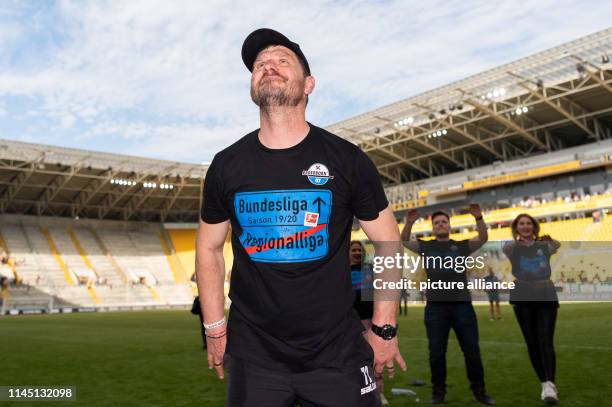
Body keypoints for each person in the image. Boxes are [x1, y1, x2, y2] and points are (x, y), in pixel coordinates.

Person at [196, 28, 406, 406]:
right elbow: (209, 247)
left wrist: (384, 329)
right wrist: (214, 327)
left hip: (337, 353)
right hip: (254, 355)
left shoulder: (347, 159)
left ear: (308, 84)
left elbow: (389, 243)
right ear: (252, 85)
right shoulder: (226, 165)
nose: (268, 66)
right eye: (259, 64)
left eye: (281, 60)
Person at [401, 205, 494, 405]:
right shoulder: (425, 246)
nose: (440, 224)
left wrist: (478, 217)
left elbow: (483, 238)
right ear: (433, 228)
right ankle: (438, 391)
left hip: (462, 306)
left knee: (472, 351)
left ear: (449, 226)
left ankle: (479, 390)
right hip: (436, 308)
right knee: (436, 352)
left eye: (444, 222)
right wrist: (409, 222)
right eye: (437, 223)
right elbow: (404, 241)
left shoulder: (461, 245)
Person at [502, 214, 561, 404]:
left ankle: (550, 384)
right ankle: (544, 383)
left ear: (534, 227)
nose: (525, 226)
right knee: (532, 341)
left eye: (529, 224)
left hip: (545, 292)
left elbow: (557, 245)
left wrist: (547, 239)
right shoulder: (512, 247)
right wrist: (522, 240)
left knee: (545, 339)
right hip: (522, 293)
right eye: (521, 224)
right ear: (516, 228)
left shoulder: (545, 246)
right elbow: (506, 246)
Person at [349, 240, 389, 406]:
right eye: (354, 250)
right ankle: (355, 392)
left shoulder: (369, 269)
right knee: (353, 359)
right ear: (348, 253)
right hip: (351, 321)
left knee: (374, 357)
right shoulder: (342, 271)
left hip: (372, 320)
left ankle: (379, 392)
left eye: (360, 250)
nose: (358, 252)